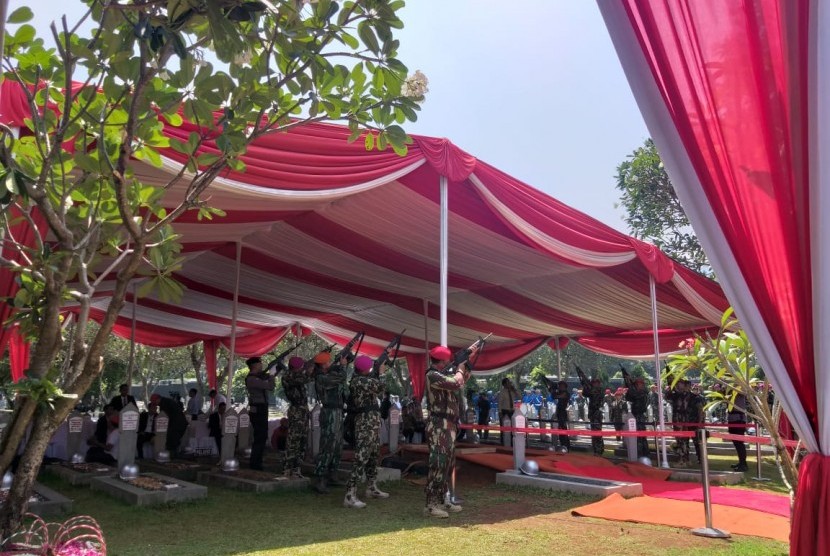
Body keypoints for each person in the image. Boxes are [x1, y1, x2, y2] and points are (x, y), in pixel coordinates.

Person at [423, 344, 477, 519]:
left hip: (449, 425)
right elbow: (456, 382)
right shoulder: (432, 375)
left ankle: (442, 499)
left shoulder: (442, 374)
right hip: (439, 425)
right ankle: (431, 505)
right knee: (438, 463)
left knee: (447, 463)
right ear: (442, 361)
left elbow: (462, 380)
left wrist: (467, 362)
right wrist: (460, 368)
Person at [344, 355, 389, 508]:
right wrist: (381, 372)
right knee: (361, 456)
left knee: (374, 454)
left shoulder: (364, 379)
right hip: (365, 422)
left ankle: (371, 487)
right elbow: (381, 387)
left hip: (372, 421)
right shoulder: (359, 381)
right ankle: (350, 494)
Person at [313, 350, 349, 491]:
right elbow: (341, 378)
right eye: (328, 361)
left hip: (338, 412)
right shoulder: (321, 377)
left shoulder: (328, 374)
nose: (330, 363)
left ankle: (333, 474)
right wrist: (342, 366)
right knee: (328, 445)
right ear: (323, 365)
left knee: (338, 445)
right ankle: (320, 477)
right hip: (330, 412)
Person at [282, 356, 314, 478]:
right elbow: (304, 379)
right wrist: (309, 369)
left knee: (302, 441)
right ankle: (287, 469)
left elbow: (308, 378)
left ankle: (296, 469)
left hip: (303, 410)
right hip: (296, 410)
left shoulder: (298, 375)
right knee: (293, 441)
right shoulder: (288, 376)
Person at [244, 356, 276, 471]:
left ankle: (257, 461)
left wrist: (275, 370)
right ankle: (255, 463)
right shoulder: (252, 379)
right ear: (255, 365)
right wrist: (271, 375)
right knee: (260, 437)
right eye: (259, 363)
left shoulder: (258, 377)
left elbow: (267, 380)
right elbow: (270, 386)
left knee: (262, 436)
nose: (261, 365)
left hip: (261, 408)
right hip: (258, 409)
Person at [579, 373, 605, 456]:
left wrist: (586, 384)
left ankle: (599, 450)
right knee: (594, 433)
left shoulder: (599, 390)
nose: (595, 384)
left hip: (597, 414)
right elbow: (584, 394)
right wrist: (584, 384)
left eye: (596, 383)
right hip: (593, 414)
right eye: (593, 383)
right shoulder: (592, 389)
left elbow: (590, 392)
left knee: (597, 433)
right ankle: (596, 450)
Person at [667, 380, 692, 467]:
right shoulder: (681, 393)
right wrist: (670, 389)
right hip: (681, 418)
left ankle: (682, 460)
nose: (677, 385)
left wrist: (673, 387)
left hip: (681, 418)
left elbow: (675, 396)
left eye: (679, 384)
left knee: (682, 439)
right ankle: (686, 459)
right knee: (682, 439)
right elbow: (668, 397)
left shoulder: (685, 393)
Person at [625, 377, 650, 458]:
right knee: (635, 436)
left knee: (641, 436)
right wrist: (630, 386)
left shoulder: (644, 392)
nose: (637, 386)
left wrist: (631, 386)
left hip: (640, 416)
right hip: (634, 416)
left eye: (638, 384)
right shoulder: (635, 391)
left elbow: (635, 395)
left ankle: (643, 454)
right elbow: (628, 397)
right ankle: (638, 454)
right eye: (636, 384)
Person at [727, 390, 749, 472]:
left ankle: (743, 464)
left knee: (739, 443)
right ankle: (741, 462)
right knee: (736, 443)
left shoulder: (739, 389)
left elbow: (744, 392)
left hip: (739, 419)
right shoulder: (729, 390)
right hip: (732, 418)